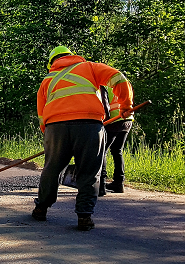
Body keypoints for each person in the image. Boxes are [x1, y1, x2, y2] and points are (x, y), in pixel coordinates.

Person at [32, 46, 134, 231]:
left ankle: (41, 208)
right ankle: (84, 217)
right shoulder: (90, 68)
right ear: (72, 56)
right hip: (89, 126)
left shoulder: (47, 80)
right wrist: (125, 104)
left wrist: (49, 134)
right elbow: (119, 78)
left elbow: (41, 114)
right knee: (89, 171)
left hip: (56, 128)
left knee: (51, 169)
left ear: (52, 63)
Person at [102, 86, 134, 194]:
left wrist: (101, 124)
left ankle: (101, 183)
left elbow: (105, 106)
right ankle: (119, 183)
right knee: (117, 151)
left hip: (113, 120)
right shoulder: (122, 82)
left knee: (102, 151)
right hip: (127, 120)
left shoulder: (103, 85)